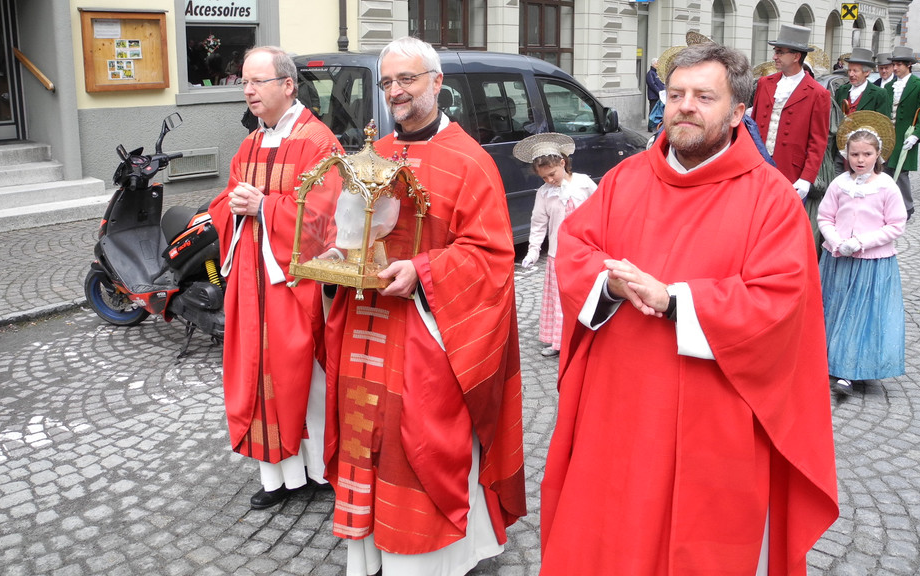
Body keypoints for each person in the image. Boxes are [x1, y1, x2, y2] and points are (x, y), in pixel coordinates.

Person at [541, 43, 839, 576]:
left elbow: (779, 301)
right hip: (617, 406)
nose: (685, 106)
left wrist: (675, 299)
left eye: (704, 97)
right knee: (609, 533)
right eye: (676, 94)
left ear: (738, 112)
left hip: (712, 414)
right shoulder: (627, 177)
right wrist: (608, 283)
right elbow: (577, 250)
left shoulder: (771, 199)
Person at [321, 37, 526, 576]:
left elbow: (491, 256)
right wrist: (338, 252)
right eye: (388, 82)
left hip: (431, 330)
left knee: (421, 442)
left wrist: (423, 270)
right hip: (367, 326)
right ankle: (372, 552)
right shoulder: (378, 153)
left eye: (407, 79)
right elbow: (352, 226)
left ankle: (432, 560)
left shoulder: (470, 160)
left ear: (437, 83)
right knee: (365, 434)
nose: (396, 91)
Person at [208, 46, 340, 510]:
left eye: (257, 81)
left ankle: (318, 471)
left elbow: (326, 217)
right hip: (252, 282)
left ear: (287, 85)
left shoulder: (318, 142)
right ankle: (278, 476)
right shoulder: (249, 144)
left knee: (302, 376)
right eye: (244, 81)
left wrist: (264, 206)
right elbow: (225, 203)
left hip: (294, 283)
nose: (247, 90)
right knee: (256, 373)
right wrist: (234, 206)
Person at [817, 112, 907, 397]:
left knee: (860, 314)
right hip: (838, 259)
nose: (860, 160)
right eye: (854, 154)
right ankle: (828, 359)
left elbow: (896, 224)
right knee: (834, 308)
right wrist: (836, 240)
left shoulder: (886, 186)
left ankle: (851, 368)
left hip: (871, 262)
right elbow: (825, 217)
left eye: (867, 154)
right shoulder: (839, 184)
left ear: (877, 155)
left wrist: (861, 242)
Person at [514, 133, 597, 358]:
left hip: (585, 252)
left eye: (552, 174)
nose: (549, 180)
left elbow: (601, 210)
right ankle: (560, 341)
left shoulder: (583, 183)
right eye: (544, 177)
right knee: (559, 300)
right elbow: (538, 224)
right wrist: (533, 251)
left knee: (585, 296)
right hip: (558, 255)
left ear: (562, 163)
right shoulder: (544, 194)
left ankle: (586, 340)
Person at [750, 23, 831, 202]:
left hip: (791, 172)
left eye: (780, 52)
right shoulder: (764, 83)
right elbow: (752, 127)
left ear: (796, 56)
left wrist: (807, 178)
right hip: (758, 167)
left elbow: (818, 141)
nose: (774, 56)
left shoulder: (818, 93)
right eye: (775, 51)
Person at [883, 47, 920, 219]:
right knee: (885, 170)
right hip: (889, 135)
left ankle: (907, 206)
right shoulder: (889, 86)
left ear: (909, 65)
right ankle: (889, 205)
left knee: (901, 171)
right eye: (894, 65)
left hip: (906, 135)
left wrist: (916, 135)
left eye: (899, 65)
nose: (895, 68)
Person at [834, 48, 891, 117]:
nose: (851, 74)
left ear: (867, 72)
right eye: (849, 70)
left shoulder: (879, 94)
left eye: (855, 71)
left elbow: (883, 122)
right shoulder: (842, 90)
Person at [646, 59, 665, 131]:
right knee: (652, 111)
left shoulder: (658, 73)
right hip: (653, 96)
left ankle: (657, 125)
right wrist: (659, 92)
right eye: (657, 64)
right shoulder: (650, 73)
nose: (658, 66)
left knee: (659, 111)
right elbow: (652, 84)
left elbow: (661, 83)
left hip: (660, 96)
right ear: (653, 64)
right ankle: (650, 126)